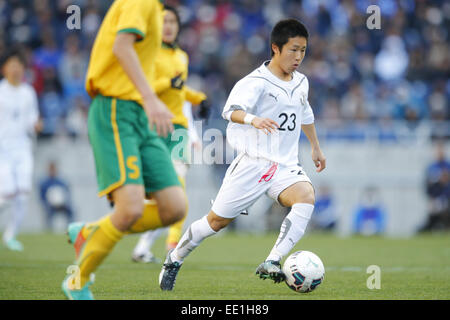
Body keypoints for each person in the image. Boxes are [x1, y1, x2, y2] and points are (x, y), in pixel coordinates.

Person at [159, 19, 326, 290]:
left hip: (284, 165)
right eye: (293, 50)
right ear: (276, 48)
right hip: (252, 164)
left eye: (303, 51)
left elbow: (305, 114)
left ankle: (272, 260)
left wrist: (316, 147)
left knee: (306, 196)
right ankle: (175, 258)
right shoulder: (255, 82)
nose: (298, 57)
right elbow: (230, 111)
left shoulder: (302, 82)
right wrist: (253, 120)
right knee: (215, 222)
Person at [61, 0, 187, 300]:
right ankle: (77, 281)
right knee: (129, 208)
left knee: (175, 207)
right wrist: (151, 98)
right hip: (115, 109)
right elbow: (121, 47)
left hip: (139, 115)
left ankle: (90, 231)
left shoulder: (156, 11)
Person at [131, 5, 210, 264]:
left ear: (178, 27)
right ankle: (136, 243)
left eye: (172, 22)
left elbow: (180, 90)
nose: (168, 26)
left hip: (178, 131)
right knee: (155, 194)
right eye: (163, 21)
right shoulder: (148, 53)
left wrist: (199, 98)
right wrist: (167, 83)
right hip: (154, 126)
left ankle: (171, 246)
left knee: (178, 189)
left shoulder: (182, 56)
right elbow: (144, 87)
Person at [0, 48, 40, 251]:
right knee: (7, 194)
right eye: (12, 66)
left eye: (19, 66)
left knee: (23, 194)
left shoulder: (28, 92)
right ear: (4, 69)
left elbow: (32, 119)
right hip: (3, 151)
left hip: (23, 149)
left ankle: (10, 236)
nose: (16, 70)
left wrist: (36, 125)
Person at [39, 161, 74, 231]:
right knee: (48, 213)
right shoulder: (45, 183)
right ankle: (49, 230)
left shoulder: (61, 181)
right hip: (50, 205)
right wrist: (47, 203)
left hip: (62, 204)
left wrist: (64, 201)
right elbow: (42, 196)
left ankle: (70, 229)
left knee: (71, 211)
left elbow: (67, 192)